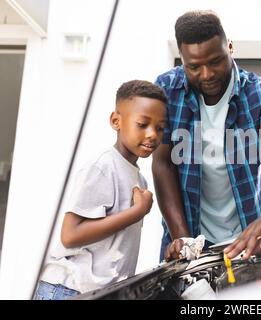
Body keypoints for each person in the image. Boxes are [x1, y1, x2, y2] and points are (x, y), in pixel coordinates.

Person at [153, 10, 261, 262]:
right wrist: (184, 239)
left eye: (215, 61)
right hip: (186, 239)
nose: (207, 74)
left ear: (230, 47)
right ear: (182, 59)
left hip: (247, 241)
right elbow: (162, 162)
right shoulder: (166, 90)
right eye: (194, 67)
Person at [34, 80, 167, 299]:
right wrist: (136, 212)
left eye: (160, 127)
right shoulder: (103, 167)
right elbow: (70, 235)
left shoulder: (139, 179)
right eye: (143, 124)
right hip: (69, 289)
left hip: (100, 293)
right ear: (116, 121)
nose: (153, 134)